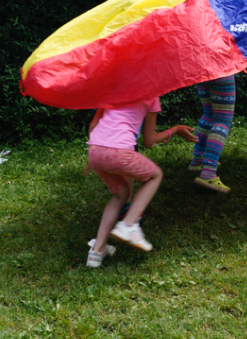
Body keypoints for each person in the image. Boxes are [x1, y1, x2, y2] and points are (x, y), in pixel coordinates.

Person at [84, 98, 197, 267]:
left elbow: (94, 126)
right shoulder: (151, 95)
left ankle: (96, 252)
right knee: (155, 176)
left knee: (120, 195)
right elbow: (149, 139)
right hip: (119, 151)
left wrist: (95, 157)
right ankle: (129, 224)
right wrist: (176, 130)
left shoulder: (115, 89)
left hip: (95, 150)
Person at [188, 75, 235, 193]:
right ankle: (208, 172)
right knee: (223, 119)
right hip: (221, 68)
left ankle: (197, 160)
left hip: (201, 69)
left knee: (209, 114)